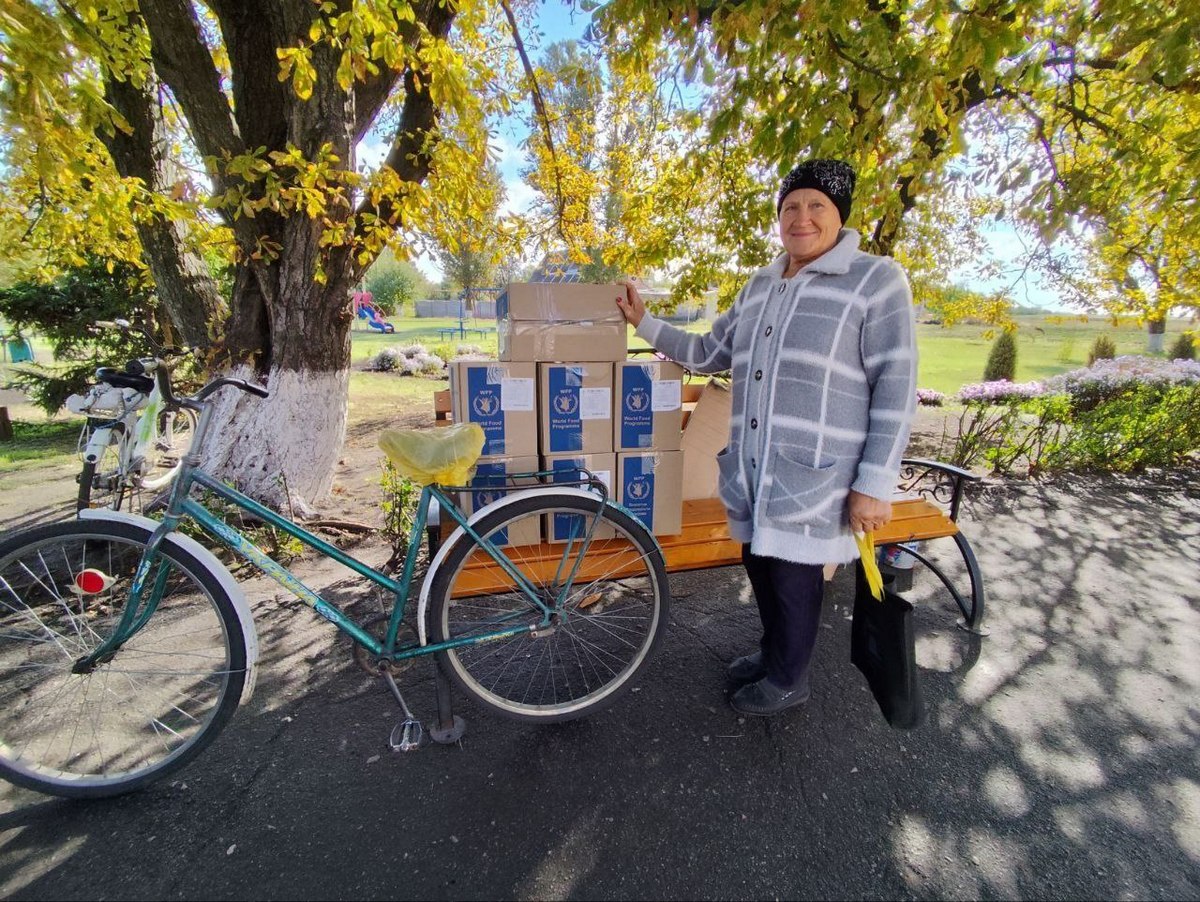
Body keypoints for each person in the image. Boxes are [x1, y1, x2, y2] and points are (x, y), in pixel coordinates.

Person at [615, 159, 918, 717]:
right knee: (762, 568)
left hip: (816, 476)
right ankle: (772, 651)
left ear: (839, 215)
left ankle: (787, 678)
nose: (800, 218)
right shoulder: (760, 284)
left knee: (794, 581)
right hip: (753, 472)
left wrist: (875, 483)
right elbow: (709, 352)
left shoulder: (875, 281)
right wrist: (644, 322)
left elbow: (896, 386)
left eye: (815, 206)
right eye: (790, 208)